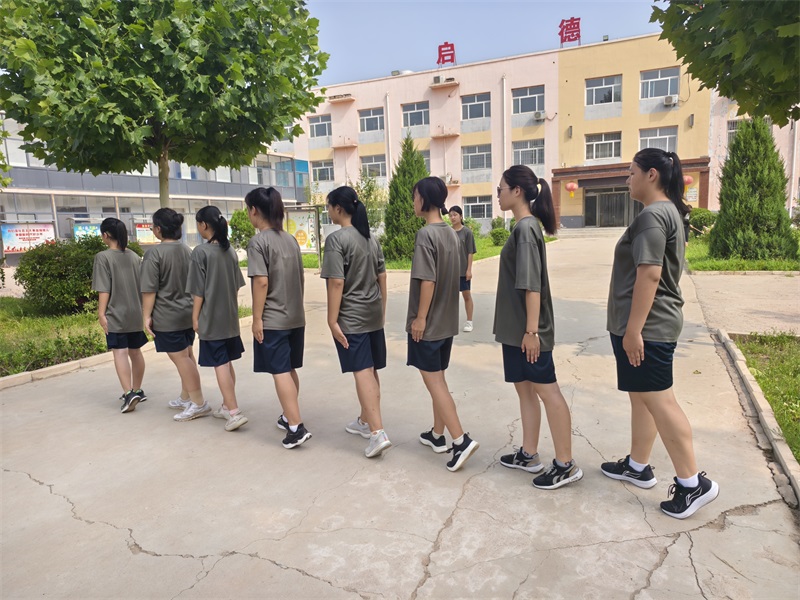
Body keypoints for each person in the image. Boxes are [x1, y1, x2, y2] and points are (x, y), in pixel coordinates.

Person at [602, 148, 719, 519]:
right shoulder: (667, 213)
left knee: (660, 401)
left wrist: (633, 330)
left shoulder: (653, 215)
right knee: (643, 398)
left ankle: (692, 483)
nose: (627, 179)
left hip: (647, 328)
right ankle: (638, 466)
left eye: (631, 172)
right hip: (647, 326)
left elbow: (650, 274)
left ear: (651, 175)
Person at [494, 166, 583, 490]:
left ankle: (565, 464)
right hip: (516, 331)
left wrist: (532, 333)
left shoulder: (527, 228)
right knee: (525, 389)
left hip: (528, 332)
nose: (498, 195)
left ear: (517, 191)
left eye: (501, 189)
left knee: (548, 391)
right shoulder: (523, 227)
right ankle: (529, 454)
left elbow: (532, 286)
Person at [409, 177, 479, 472]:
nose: (413, 202)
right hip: (447, 321)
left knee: (434, 382)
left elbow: (428, 280)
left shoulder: (426, 235)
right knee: (439, 380)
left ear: (424, 200)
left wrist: (420, 318)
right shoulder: (451, 234)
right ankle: (437, 435)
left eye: (415, 197)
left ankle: (460, 440)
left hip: (430, 324)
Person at [321, 186, 391, 458]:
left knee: (361, 371)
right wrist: (381, 310)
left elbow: (336, 282)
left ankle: (377, 432)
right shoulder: (371, 239)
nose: (328, 211)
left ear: (339, 208)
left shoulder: (337, 240)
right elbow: (382, 277)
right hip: (372, 313)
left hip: (352, 316)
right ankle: (365, 420)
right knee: (370, 370)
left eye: (329, 206)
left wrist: (331, 320)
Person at [245, 187, 311, 449]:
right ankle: (288, 416)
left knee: (280, 371)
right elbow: (300, 278)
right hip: (295, 316)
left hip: (273, 319)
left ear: (254, 210)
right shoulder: (290, 239)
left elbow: (261, 282)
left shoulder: (258, 242)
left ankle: (296, 426)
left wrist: (256, 319)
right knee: (289, 368)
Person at [140, 209, 220, 425]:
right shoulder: (187, 250)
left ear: (158, 229)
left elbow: (149, 290)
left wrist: (146, 316)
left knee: (181, 359)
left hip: (168, 316)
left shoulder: (154, 254)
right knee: (187, 354)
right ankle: (186, 397)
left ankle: (199, 402)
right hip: (187, 312)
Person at [185, 206, 246, 428]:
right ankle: (226, 406)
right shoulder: (229, 251)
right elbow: (236, 286)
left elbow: (198, 292)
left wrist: (195, 317)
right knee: (227, 363)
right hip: (229, 317)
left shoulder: (200, 253)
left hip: (211, 318)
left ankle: (234, 412)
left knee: (220, 364)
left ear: (203, 225)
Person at [92, 217, 148, 413]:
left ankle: (128, 393)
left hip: (116, 312)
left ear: (106, 235)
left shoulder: (103, 257)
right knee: (135, 352)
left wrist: (101, 313)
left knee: (120, 352)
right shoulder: (134, 256)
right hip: (135, 312)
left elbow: (104, 289)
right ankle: (137, 390)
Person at [448, 205, 477, 332]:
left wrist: (469, 270)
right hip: (451, 271)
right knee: (450, 298)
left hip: (463, 271)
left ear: (461, 216)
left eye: (455, 215)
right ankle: (450, 322)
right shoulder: (448, 232)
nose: (452, 217)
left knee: (466, 295)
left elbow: (470, 252)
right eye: (450, 215)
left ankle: (469, 321)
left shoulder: (467, 232)